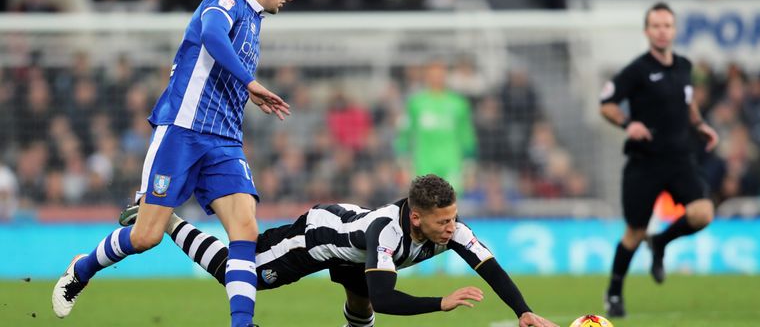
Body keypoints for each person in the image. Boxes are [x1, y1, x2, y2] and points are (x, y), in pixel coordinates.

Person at [52, 0, 301, 327]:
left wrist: (244, 92)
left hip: (225, 140)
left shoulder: (255, 21)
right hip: (182, 131)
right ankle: (81, 270)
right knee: (145, 237)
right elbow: (213, 37)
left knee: (246, 230)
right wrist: (250, 82)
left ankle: (242, 324)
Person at [119, 174, 559, 327]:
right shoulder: (389, 233)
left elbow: (489, 265)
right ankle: (169, 218)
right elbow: (389, 300)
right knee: (239, 273)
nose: (452, 228)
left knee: (360, 303)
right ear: (416, 218)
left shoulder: (449, 228)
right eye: (443, 221)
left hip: (355, 247)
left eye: (454, 218)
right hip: (317, 240)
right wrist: (442, 303)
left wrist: (522, 310)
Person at [599, 2, 719, 318]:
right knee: (634, 232)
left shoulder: (684, 66)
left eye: (667, 25)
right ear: (647, 31)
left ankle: (661, 242)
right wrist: (628, 124)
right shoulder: (636, 70)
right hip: (644, 162)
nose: (662, 31)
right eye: (656, 26)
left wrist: (700, 125)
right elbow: (606, 103)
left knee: (703, 213)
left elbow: (687, 102)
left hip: (680, 158)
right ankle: (613, 293)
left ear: (674, 30)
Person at [395, 59, 477, 196]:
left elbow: (467, 137)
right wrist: (403, 166)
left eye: (440, 74)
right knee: (426, 208)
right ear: (426, 77)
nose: (436, 78)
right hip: (423, 165)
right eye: (432, 74)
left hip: (452, 165)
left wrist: (469, 170)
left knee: (449, 208)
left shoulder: (458, 104)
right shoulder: (416, 104)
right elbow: (404, 135)